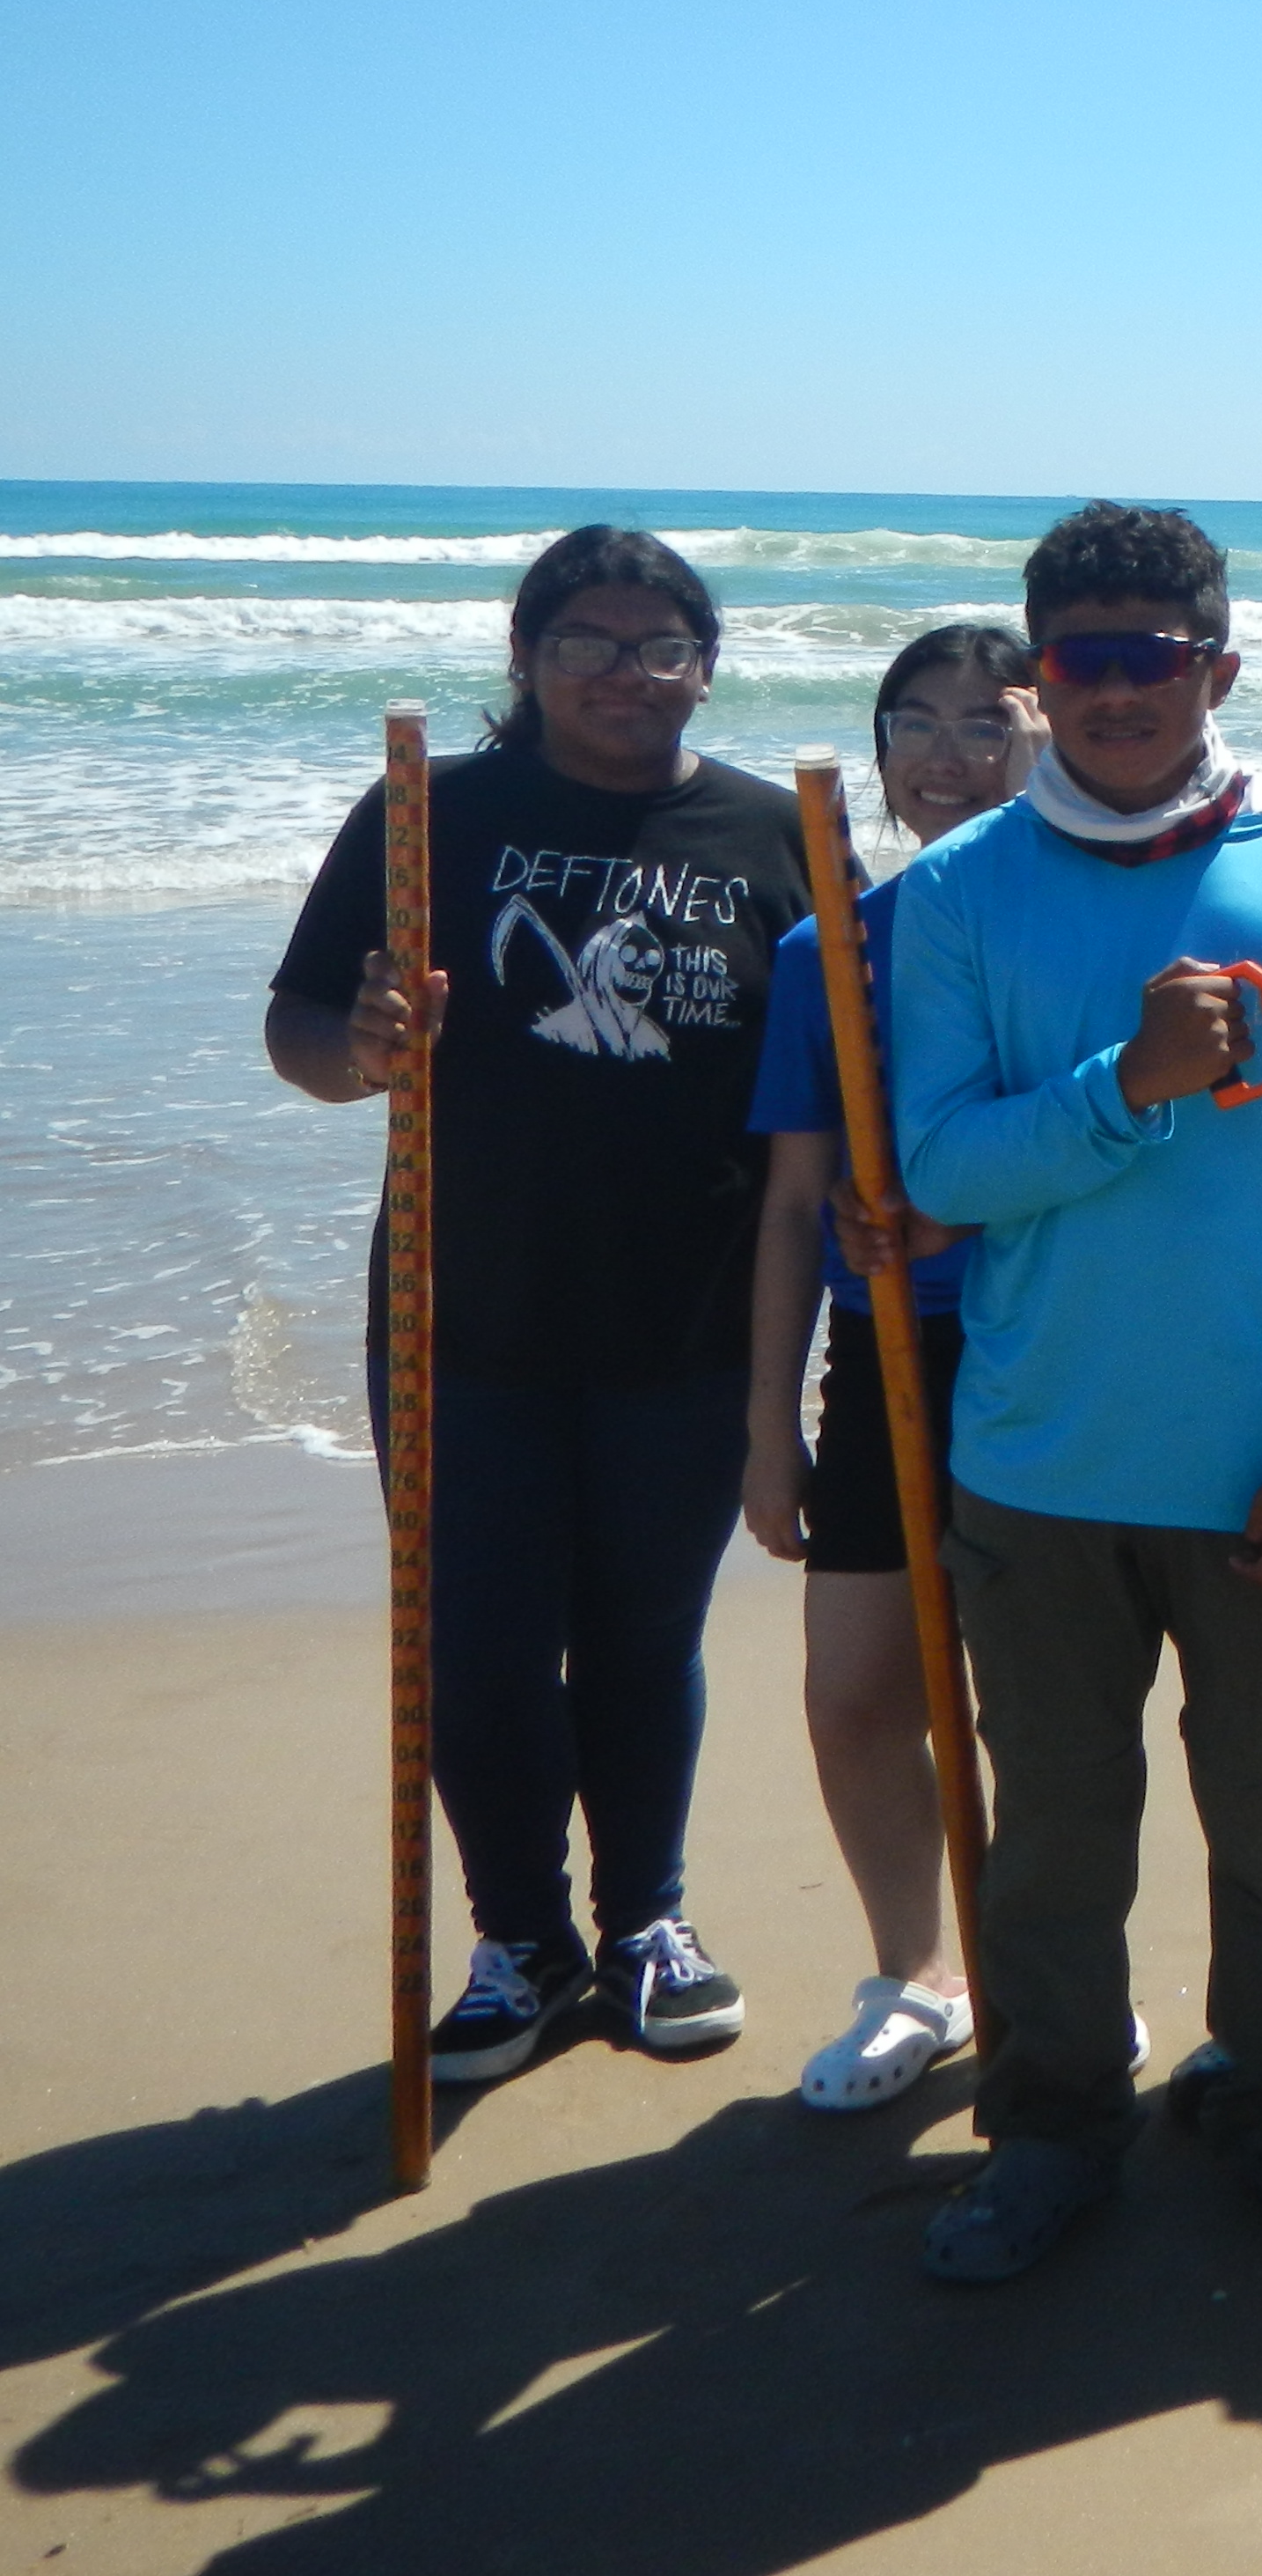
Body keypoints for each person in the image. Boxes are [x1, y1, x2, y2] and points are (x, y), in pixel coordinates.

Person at [889, 502, 1262, 2281]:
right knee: (1051, 1833)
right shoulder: (956, 895)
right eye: (1081, 662)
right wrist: (1136, 1082)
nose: (1117, 694)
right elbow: (943, 1173)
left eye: (1154, 659)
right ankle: (1050, 2126)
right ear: (1039, 681)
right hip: (1038, 1468)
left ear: (1220, 669)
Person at [268, 525, 811, 2080]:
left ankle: (645, 1921)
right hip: (462, 1317)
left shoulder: (780, 836)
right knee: (477, 1646)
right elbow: (299, 1025)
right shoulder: (430, 817)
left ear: (706, 665)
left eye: (660, 645)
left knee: (646, 1637)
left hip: (689, 1323)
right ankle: (522, 1938)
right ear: (526, 660)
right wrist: (365, 1053)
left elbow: (834, 1078)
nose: (624, 672)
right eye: (585, 641)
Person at [738, 624, 1046, 2110]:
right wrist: (765, 1426)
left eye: (984, 724)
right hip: (880, 1352)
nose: (942, 753)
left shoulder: (1080, 926)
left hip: (1049, 1341)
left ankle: (1052, 1974)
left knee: (1042, 1698)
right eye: (909, 722)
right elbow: (796, 1202)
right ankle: (917, 1971)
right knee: (858, 1691)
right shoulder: (827, 949)